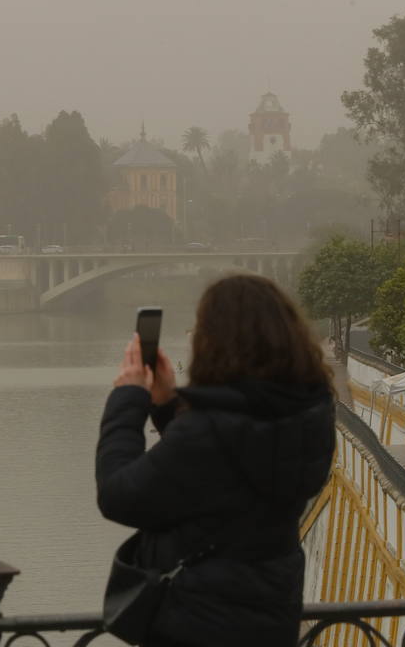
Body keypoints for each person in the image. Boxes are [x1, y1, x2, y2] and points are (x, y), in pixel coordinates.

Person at [97, 274, 335, 646]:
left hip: (199, 624)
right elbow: (228, 472)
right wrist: (168, 404)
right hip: (271, 619)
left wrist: (129, 398)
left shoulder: (209, 431)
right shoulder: (308, 418)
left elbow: (118, 495)